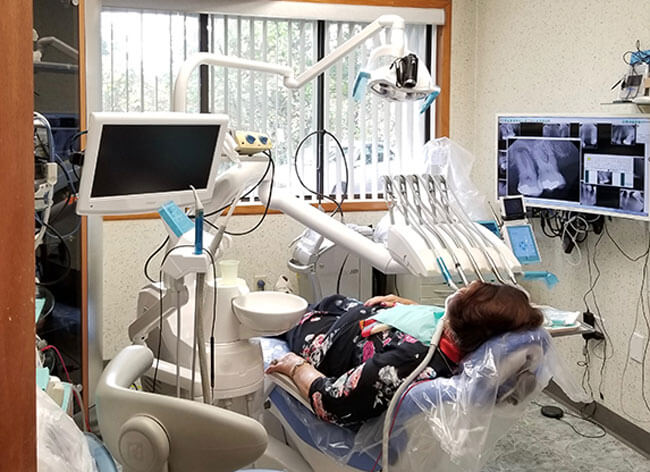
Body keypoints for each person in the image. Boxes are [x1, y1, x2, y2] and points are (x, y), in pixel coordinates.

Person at [266, 281, 543, 429]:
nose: (460, 289)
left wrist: (295, 366)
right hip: (357, 317)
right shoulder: (459, 338)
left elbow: (333, 402)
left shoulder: (409, 364)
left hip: (322, 339)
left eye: (466, 293)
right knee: (331, 301)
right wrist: (410, 310)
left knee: (274, 316)